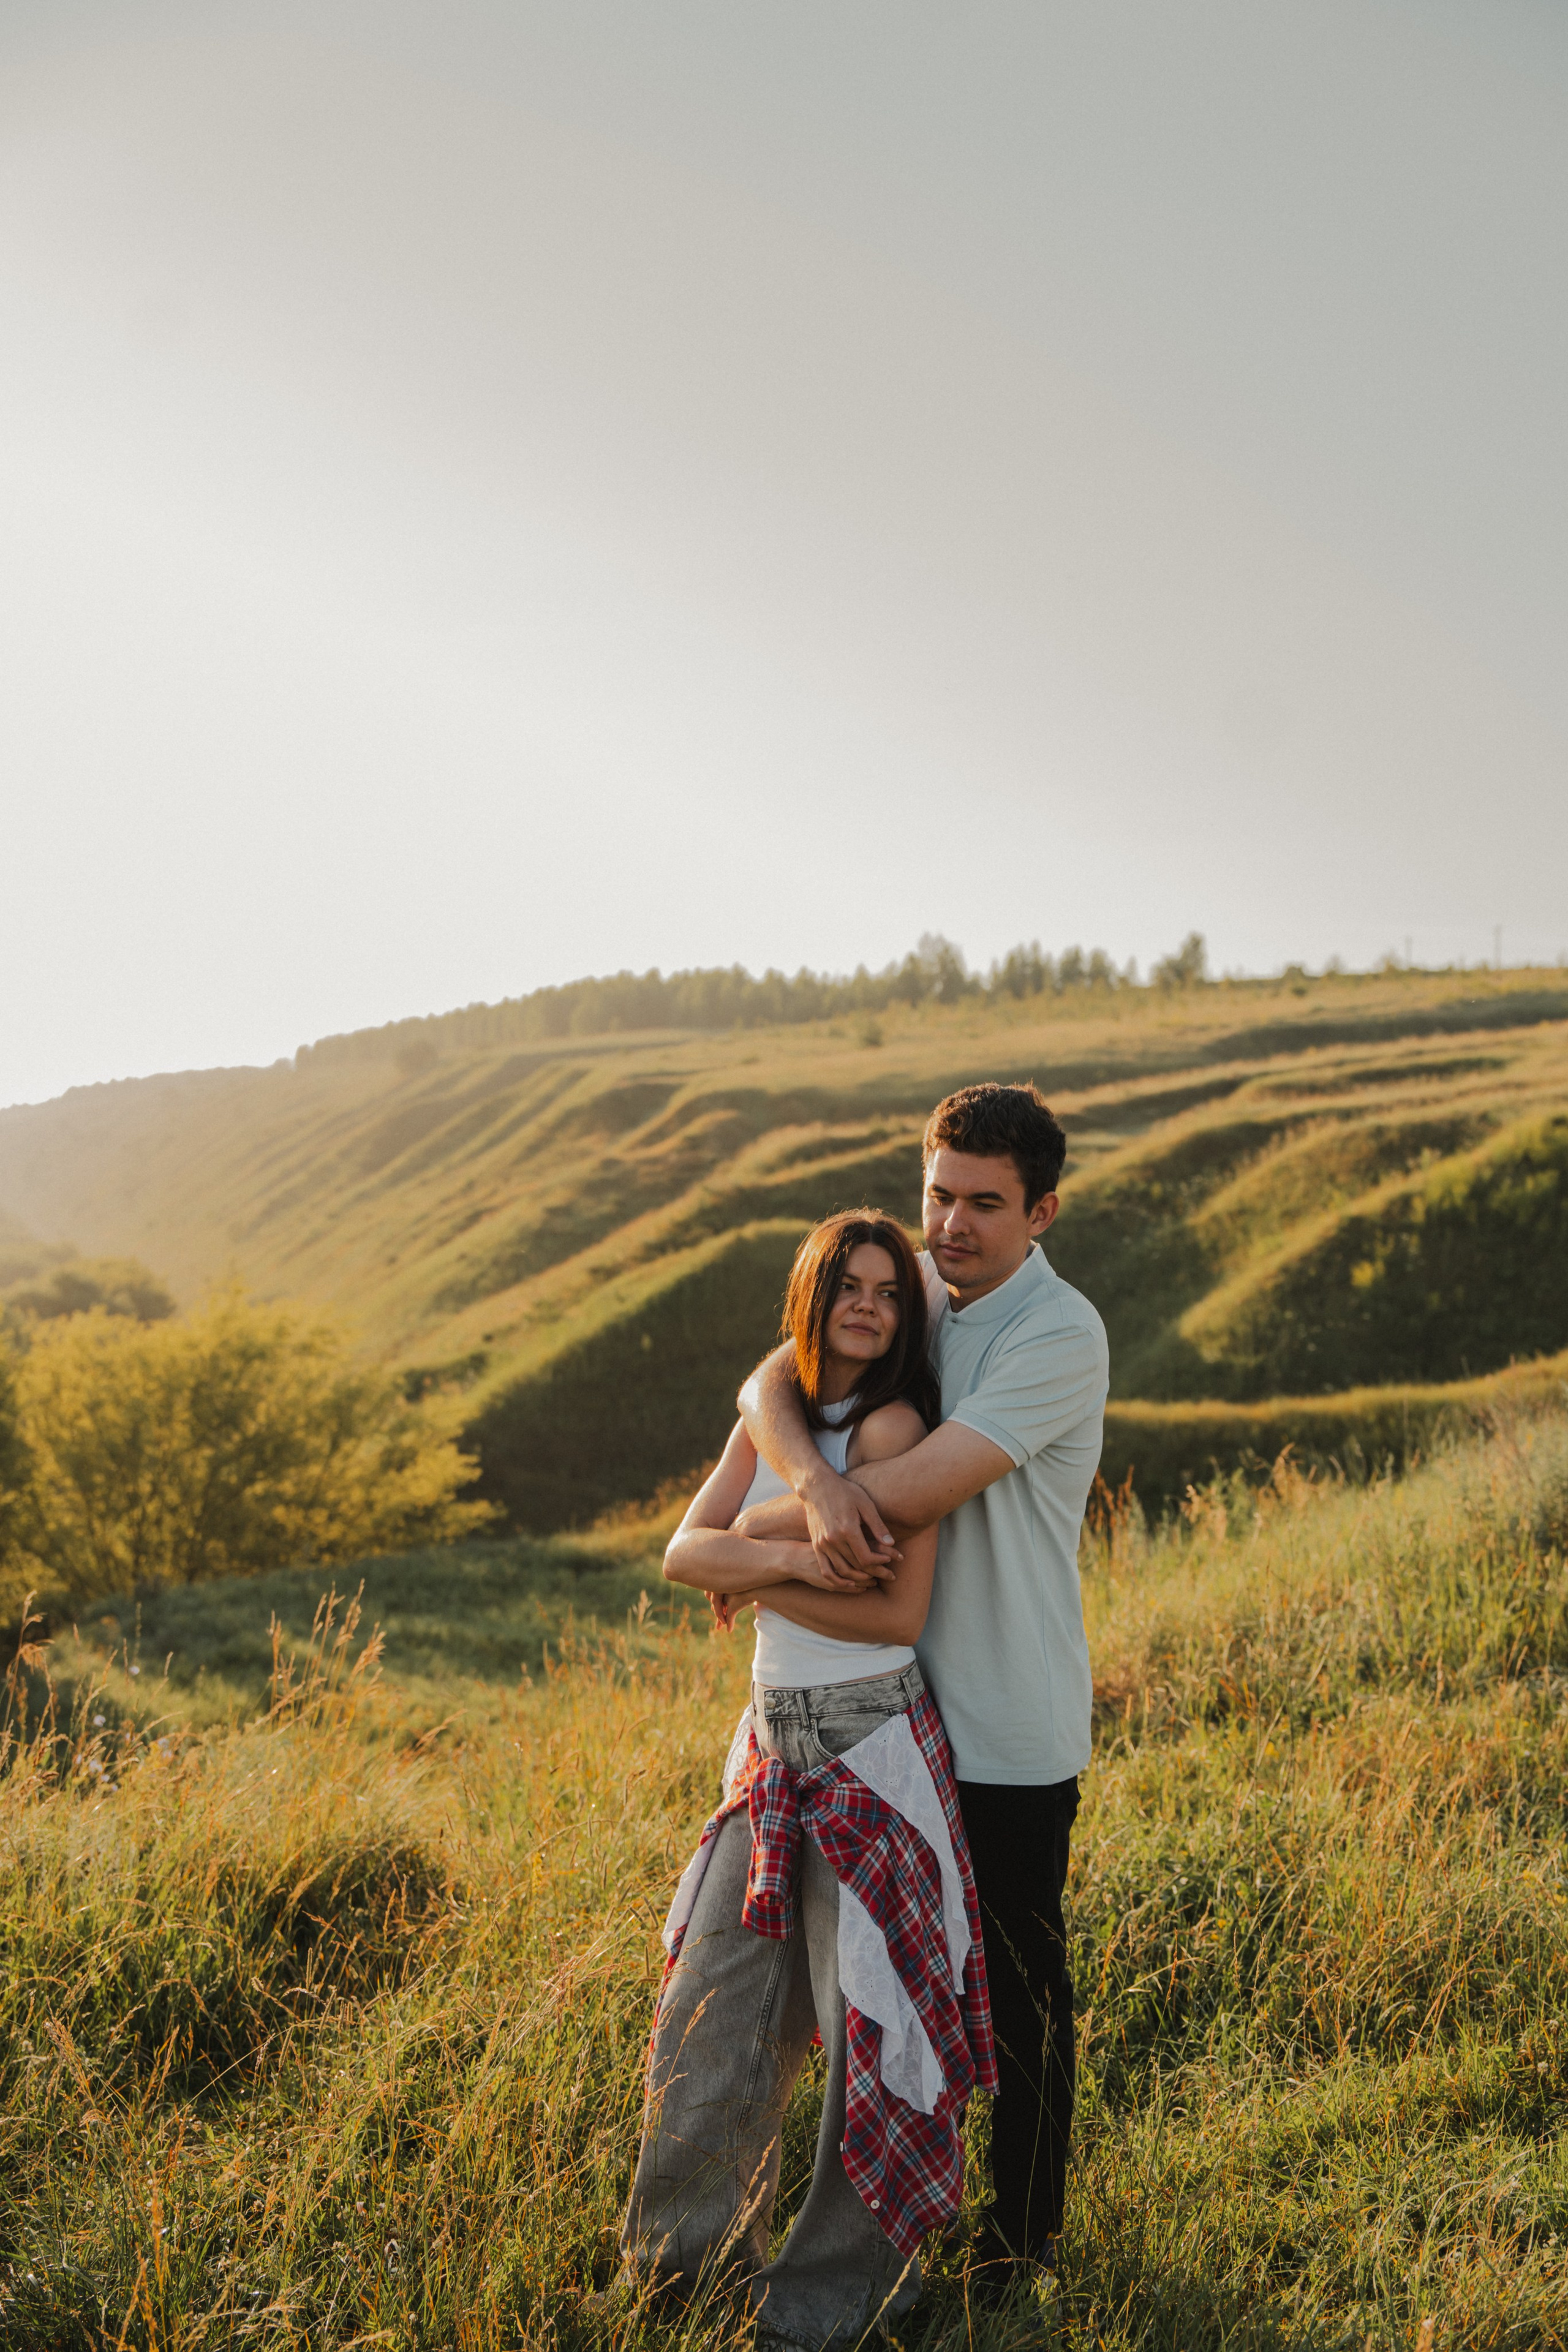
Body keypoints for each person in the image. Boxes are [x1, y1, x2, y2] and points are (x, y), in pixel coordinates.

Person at [736, 1082, 1108, 2288]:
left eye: (983, 1206)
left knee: (1010, 1984)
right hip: (890, 1716)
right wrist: (810, 1478)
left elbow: (915, 1489)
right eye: (936, 1195)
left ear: (1041, 1210)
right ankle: (906, 2214)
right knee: (895, 1986)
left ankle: (1020, 2242)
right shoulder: (924, 1305)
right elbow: (765, 1382)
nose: (948, 1226)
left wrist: (745, 1543)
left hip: (1000, 1721)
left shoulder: (1056, 1335)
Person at [620, 1210, 998, 2350]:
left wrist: (755, 1574)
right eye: (852, 1284)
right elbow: (686, 1552)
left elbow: (895, 1610)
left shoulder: (891, 1429)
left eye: (891, 1290)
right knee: (712, 2011)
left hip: (867, 1749)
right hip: (770, 1749)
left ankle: (830, 2310)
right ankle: (675, 2277)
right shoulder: (777, 1413)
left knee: (870, 2039)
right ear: (816, 1292)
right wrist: (788, 1551)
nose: (872, 1304)